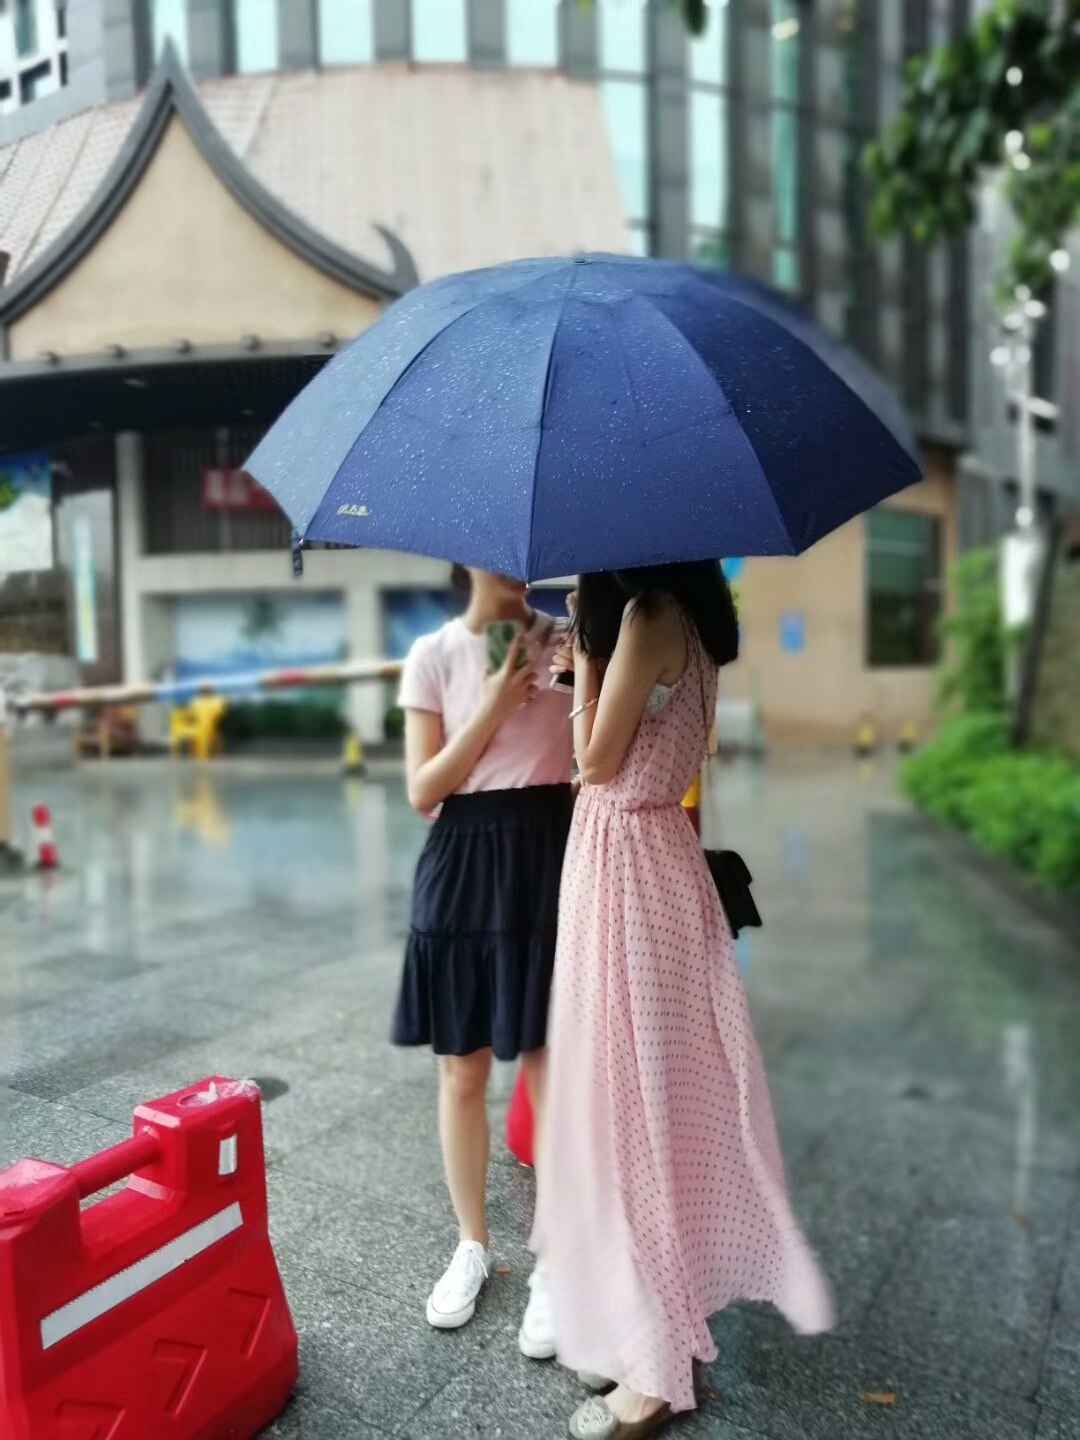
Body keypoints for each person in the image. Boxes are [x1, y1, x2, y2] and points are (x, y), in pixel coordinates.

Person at [535, 563, 832, 1440]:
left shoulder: (649, 614)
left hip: (624, 863)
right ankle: (642, 1325)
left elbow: (594, 762)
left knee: (630, 1112)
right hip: (651, 857)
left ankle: (654, 1373)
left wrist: (587, 657)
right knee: (646, 1102)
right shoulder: (694, 621)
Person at [393, 565, 573, 1353]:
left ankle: (556, 1261)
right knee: (460, 1070)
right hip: (463, 856)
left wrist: (576, 670)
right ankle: (472, 1243)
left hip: (548, 852)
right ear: (463, 556)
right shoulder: (433, 654)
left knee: (547, 1064)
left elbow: (596, 754)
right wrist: (496, 703)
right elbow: (423, 788)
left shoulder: (567, 641)